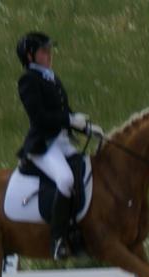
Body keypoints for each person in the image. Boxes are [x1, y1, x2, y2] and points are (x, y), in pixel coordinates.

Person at [14, 32, 102, 260]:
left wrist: (87, 127)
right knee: (65, 180)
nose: (49, 55)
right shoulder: (28, 80)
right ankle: (57, 239)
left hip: (62, 142)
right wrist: (69, 121)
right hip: (44, 146)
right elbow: (40, 117)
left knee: (86, 173)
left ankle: (77, 231)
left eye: (49, 51)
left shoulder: (51, 77)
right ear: (31, 55)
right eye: (44, 51)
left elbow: (65, 111)